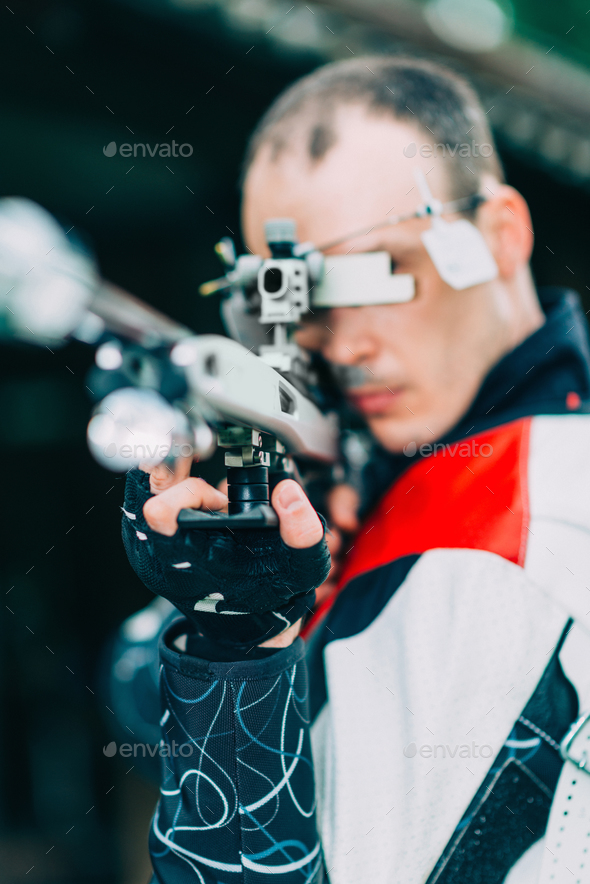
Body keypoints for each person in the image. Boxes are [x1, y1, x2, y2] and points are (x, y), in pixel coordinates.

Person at [120, 56, 590, 883]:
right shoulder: (402, 474)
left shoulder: (510, 536)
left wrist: (238, 652)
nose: (341, 344)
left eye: (384, 273)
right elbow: (132, 697)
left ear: (502, 234)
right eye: (299, 304)